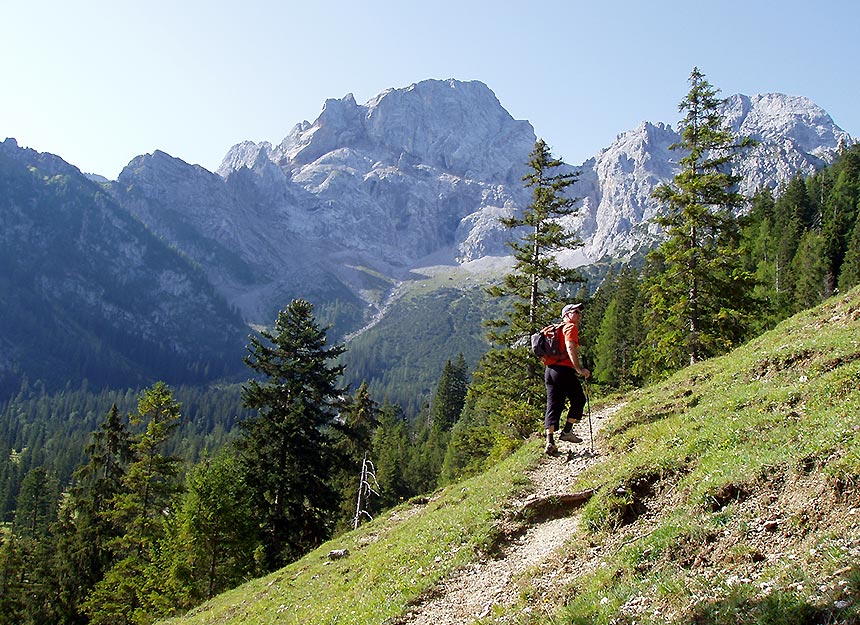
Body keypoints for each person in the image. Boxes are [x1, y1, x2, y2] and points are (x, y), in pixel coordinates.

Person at [542, 302, 591, 455]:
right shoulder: (570, 327)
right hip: (563, 370)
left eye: (579, 312)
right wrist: (579, 368)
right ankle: (567, 431)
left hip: (550, 371)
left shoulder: (553, 330)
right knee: (579, 399)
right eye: (576, 311)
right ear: (567, 315)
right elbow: (570, 347)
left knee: (553, 404)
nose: (579, 315)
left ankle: (550, 442)